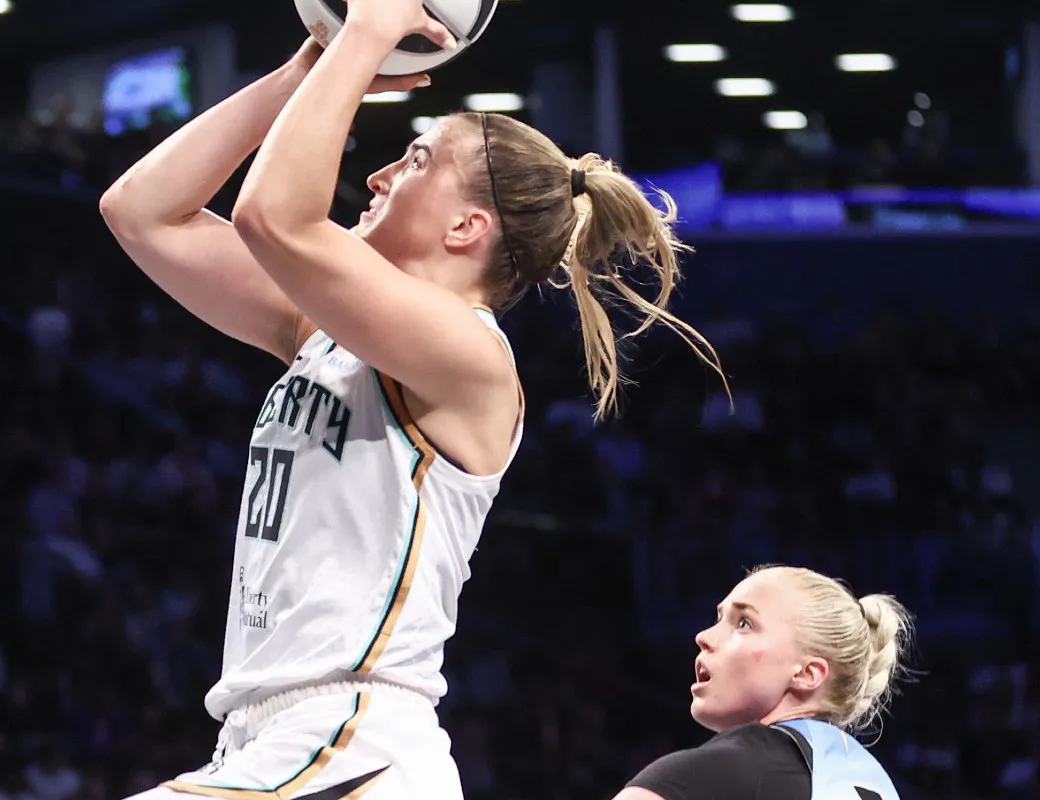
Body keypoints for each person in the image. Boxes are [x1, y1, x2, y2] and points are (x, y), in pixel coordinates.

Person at [100, 0, 721, 796]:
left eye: (417, 159)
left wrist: (366, 33)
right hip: (280, 743)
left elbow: (271, 216)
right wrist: (306, 72)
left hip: (356, 741)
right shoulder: (317, 327)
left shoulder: (470, 357)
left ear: (467, 227)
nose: (379, 173)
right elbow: (141, 212)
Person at [614, 565, 914, 800]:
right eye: (719, 619)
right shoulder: (874, 779)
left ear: (807, 673)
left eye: (744, 624)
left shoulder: (740, 767)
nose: (703, 637)